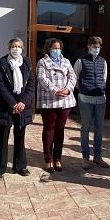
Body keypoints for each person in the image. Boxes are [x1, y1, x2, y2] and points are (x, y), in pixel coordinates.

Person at [0, 39, 35, 181]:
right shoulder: (2, 63)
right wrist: (13, 103)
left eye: (18, 46)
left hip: (22, 106)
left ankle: (20, 166)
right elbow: (0, 86)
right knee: (2, 137)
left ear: (22, 48)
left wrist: (23, 102)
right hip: (6, 105)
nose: (16, 49)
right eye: (13, 46)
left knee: (20, 136)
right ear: (9, 48)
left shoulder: (27, 63)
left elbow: (31, 86)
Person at [37, 38, 76, 173]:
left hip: (65, 101)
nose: (57, 50)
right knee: (49, 128)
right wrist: (56, 90)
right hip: (49, 101)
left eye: (59, 48)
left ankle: (57, 158)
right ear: (48, 49)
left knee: (60, 129)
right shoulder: (42, 62)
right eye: (54, 48)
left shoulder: (66, 61)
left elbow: (73, 77)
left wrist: (67, 89)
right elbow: (42, 79)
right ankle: (48, 159)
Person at [74, 36, 110, 170]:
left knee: (99, 128)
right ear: (89, 47)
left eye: (98, 46)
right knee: (86, 128)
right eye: (94, 46)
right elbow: (75, 78)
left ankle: (98, 156)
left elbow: (104, 77)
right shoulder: (80, 61)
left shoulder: (103, 62)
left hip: (100, 99)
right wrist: (84, 89)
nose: (97, 49)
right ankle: (85, 157)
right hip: (85, 99)